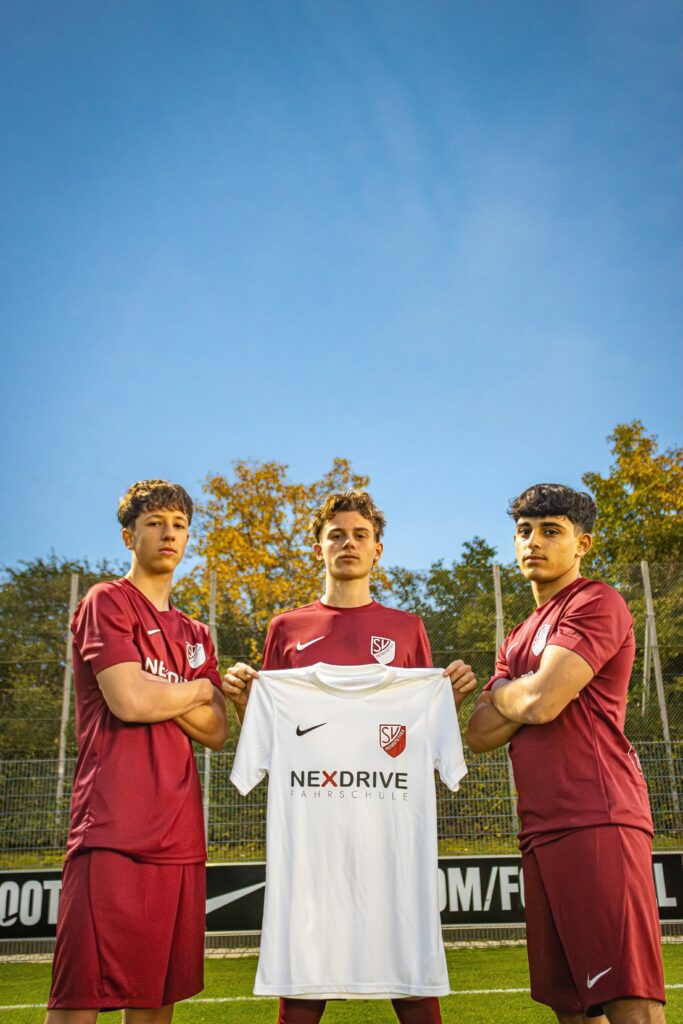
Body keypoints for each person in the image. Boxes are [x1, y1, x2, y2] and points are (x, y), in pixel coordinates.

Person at [223, 489, 477, 1024]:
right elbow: (275, 733)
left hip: (389, 838)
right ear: (318, 547)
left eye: (361, 535)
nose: (348, 544)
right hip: (313, 841)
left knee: (411, 979)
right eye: (336, 535)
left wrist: (446, 698)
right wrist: (248, 702)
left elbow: (419, 726)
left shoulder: (407, 628)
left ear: (377, 549)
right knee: (302, 983)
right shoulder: (286, 629)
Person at [466, 483, 666, 1024]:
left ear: (583, 543)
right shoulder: (516, 636)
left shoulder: (596, 601)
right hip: (539, 828)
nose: (534, 541)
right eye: (524, 531)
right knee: (572, 1007)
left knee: (630, 1002)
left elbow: (543, 701)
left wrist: (504, 692)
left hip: (597, 815)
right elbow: (479, 733)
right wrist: (520, 692)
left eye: (551, 531)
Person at [46, 480, 228, 1024]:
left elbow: (217, 730)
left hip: (179, 833)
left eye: (179, 525)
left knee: (154, 999)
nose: (168, 533)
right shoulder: (106, 600)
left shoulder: (196, 633)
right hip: (112, 826)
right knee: (79, 999)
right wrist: (197, 690)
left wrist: (165, 692)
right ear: (129, 535)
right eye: (154, 523)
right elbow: (128, 700)